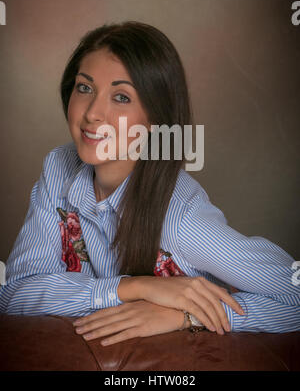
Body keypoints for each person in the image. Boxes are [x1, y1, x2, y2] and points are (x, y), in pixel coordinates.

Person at [0, 21, 299, 347]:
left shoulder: (183, 218)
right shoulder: (58, 168)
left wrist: (185, 316)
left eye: (121, 96)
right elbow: (14, 295)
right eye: (84, 88)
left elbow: (294, 295)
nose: (93, 114)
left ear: (156, 120)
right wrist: (134, 288)